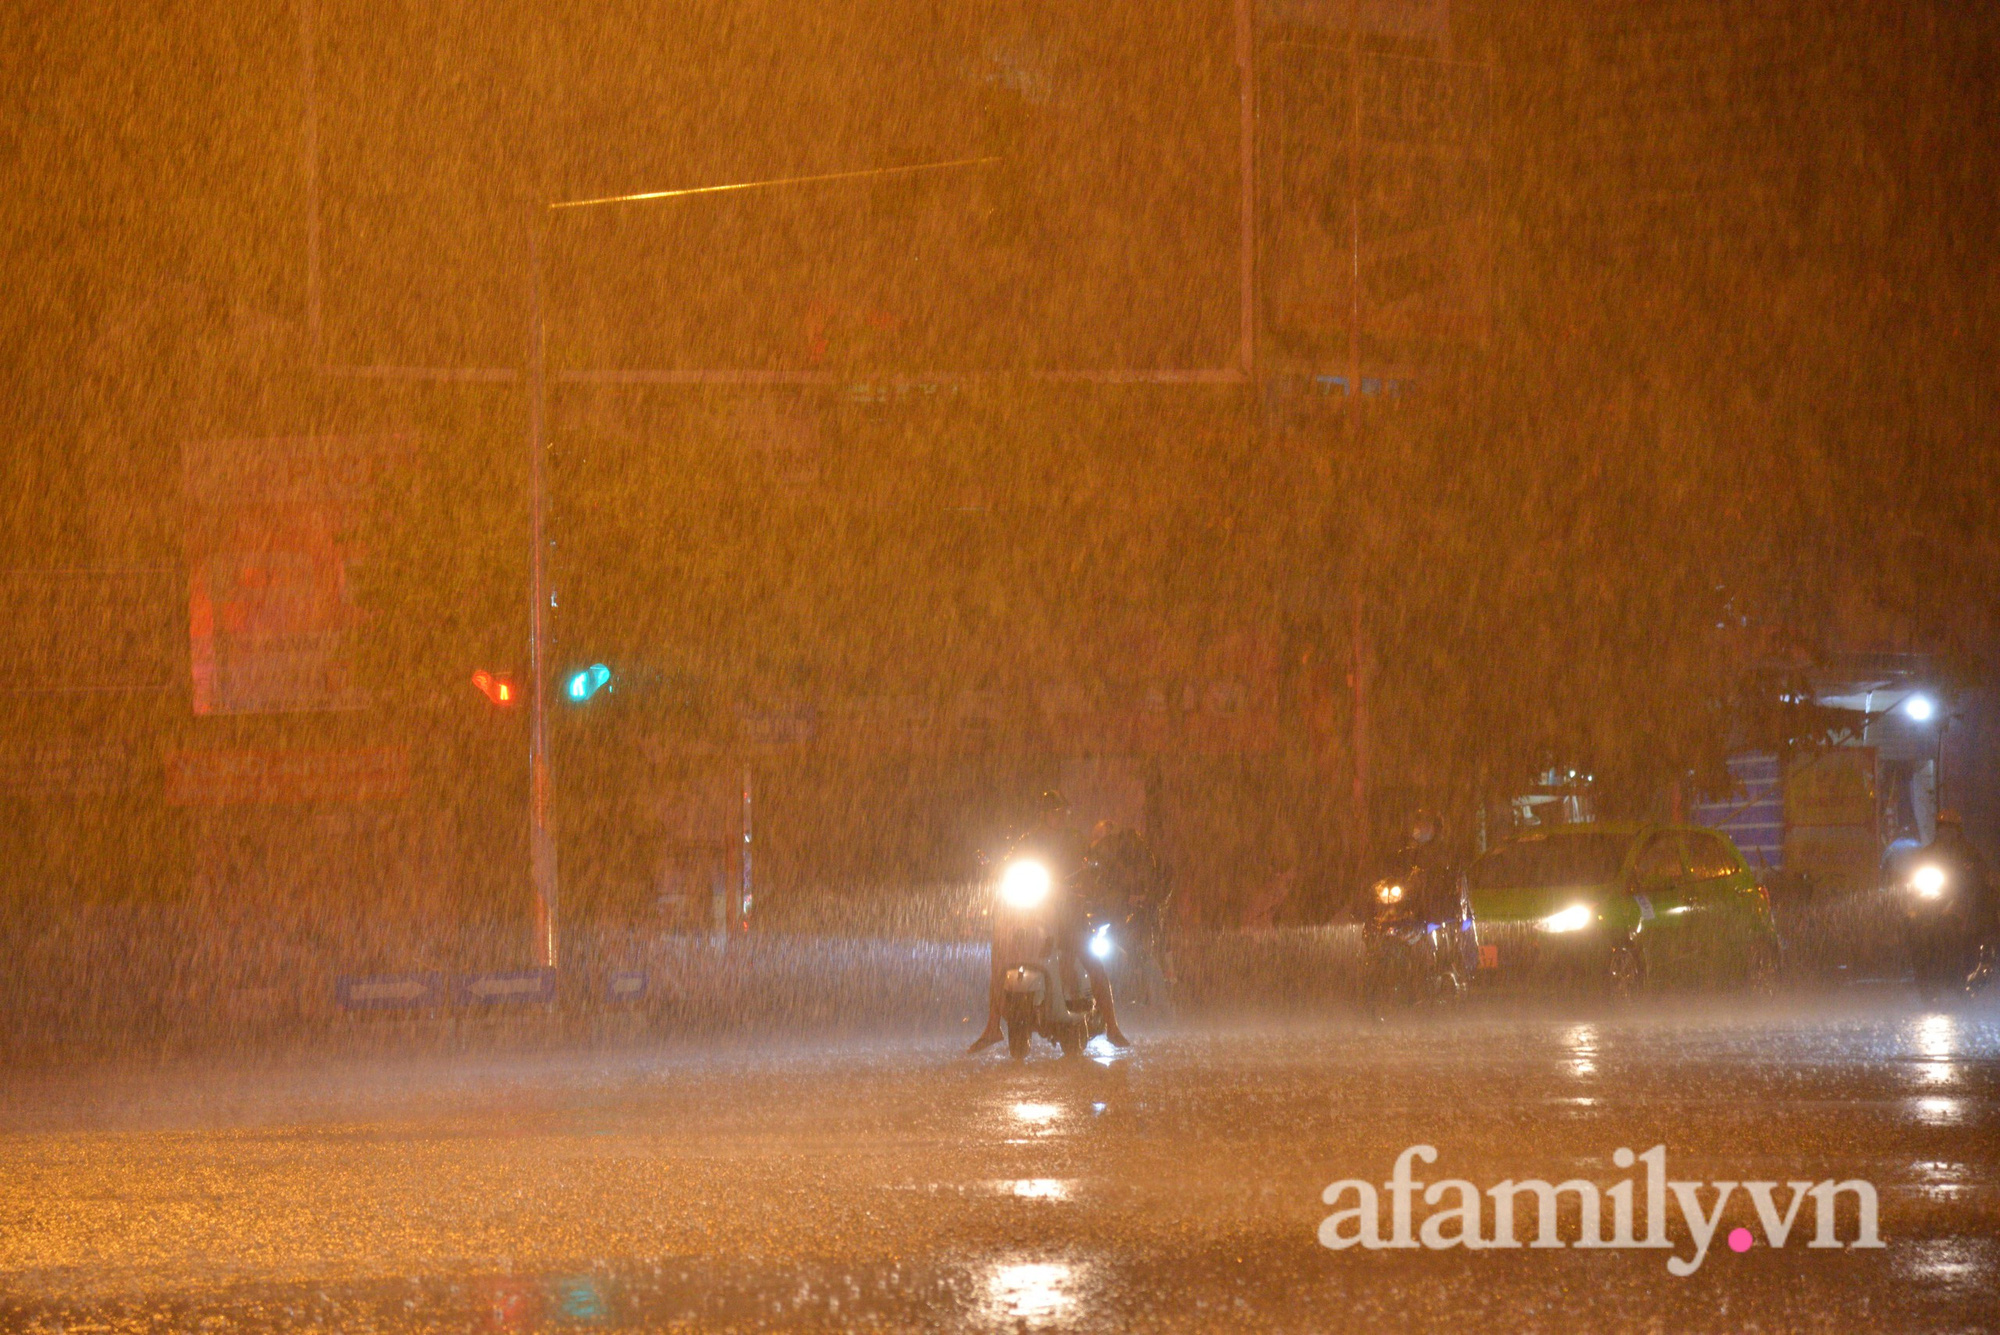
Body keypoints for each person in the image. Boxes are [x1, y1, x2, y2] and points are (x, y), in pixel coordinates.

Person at [969, 791, 1130, 1051]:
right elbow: (1009, 865)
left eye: (1062, 811)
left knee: (1091, 958)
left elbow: (1090, 865)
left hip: (1067, 910)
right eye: (1054, 811)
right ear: (1043, 814)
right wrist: (997, 870)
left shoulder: (1075, 839)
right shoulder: (1028, 840)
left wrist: (1086, 878)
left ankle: (1112, 1026)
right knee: (1000, 954)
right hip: (1033, 910)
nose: (1059, 816)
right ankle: (992, 1026)